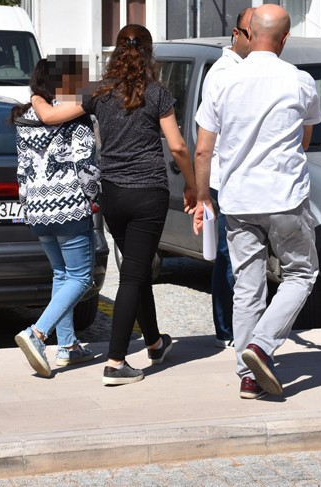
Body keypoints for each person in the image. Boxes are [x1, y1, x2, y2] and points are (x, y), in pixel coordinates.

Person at [32, 24, 197, 386]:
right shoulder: (157, 94)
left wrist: (36, 99)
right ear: (148, 53)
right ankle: (116, 362)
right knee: (135, 275)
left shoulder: (98, 92)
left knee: (137, 272)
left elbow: (49, 117)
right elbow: (180, 147)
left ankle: (154, 343)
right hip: (147, 194)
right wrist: (193, 186)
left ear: (117, 52)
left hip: (113, 194)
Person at [193, 4, 321, 399]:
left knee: (247, 286)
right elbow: (305, 138)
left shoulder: (223, 80)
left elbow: (203, 150)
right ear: (284, 39)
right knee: (301, 273)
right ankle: (261, 346)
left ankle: (247, 375)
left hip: (238, 198)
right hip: (283, 196)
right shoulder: (300, 81)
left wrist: (202, 197)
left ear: (249, 34)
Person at [11, 55, 101, 378]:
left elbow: (22, 169)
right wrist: (94, 197)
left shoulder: (25, 117)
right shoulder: (74, 119)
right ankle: (38, 334)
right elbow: (86, 164)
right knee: (81, 278)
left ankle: (68, 346)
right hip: (69, 206)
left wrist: (28, 205)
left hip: (37, 209)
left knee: (61, 275)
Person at [201, 7, 254, 349]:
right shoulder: (223, 73)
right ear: (236, 35)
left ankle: (243, 326)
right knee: (227, 254)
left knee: (245, 255)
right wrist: (203, 191)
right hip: (226, 179)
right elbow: (205, 141)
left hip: (248, 179)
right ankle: (227, 329)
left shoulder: (254, 70)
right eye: (253, 33)